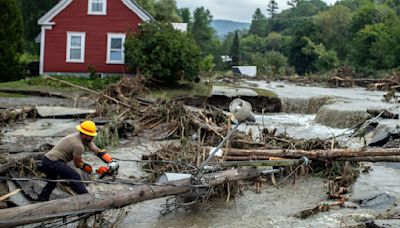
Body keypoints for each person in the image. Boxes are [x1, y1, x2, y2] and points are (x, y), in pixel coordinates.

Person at [37, 120, 114, 201]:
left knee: (52, 182)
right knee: (75, 177)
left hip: (47, 160)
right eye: (91, 136)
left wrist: (111, 161)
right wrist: (96, 171)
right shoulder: (78, 145)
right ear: (84, 134)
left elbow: (96, 149)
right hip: (53, 162)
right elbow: (78, 164)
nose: (92, 137)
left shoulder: (82, 137)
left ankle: (42, 200)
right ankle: (87, 199)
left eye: (93, 135)